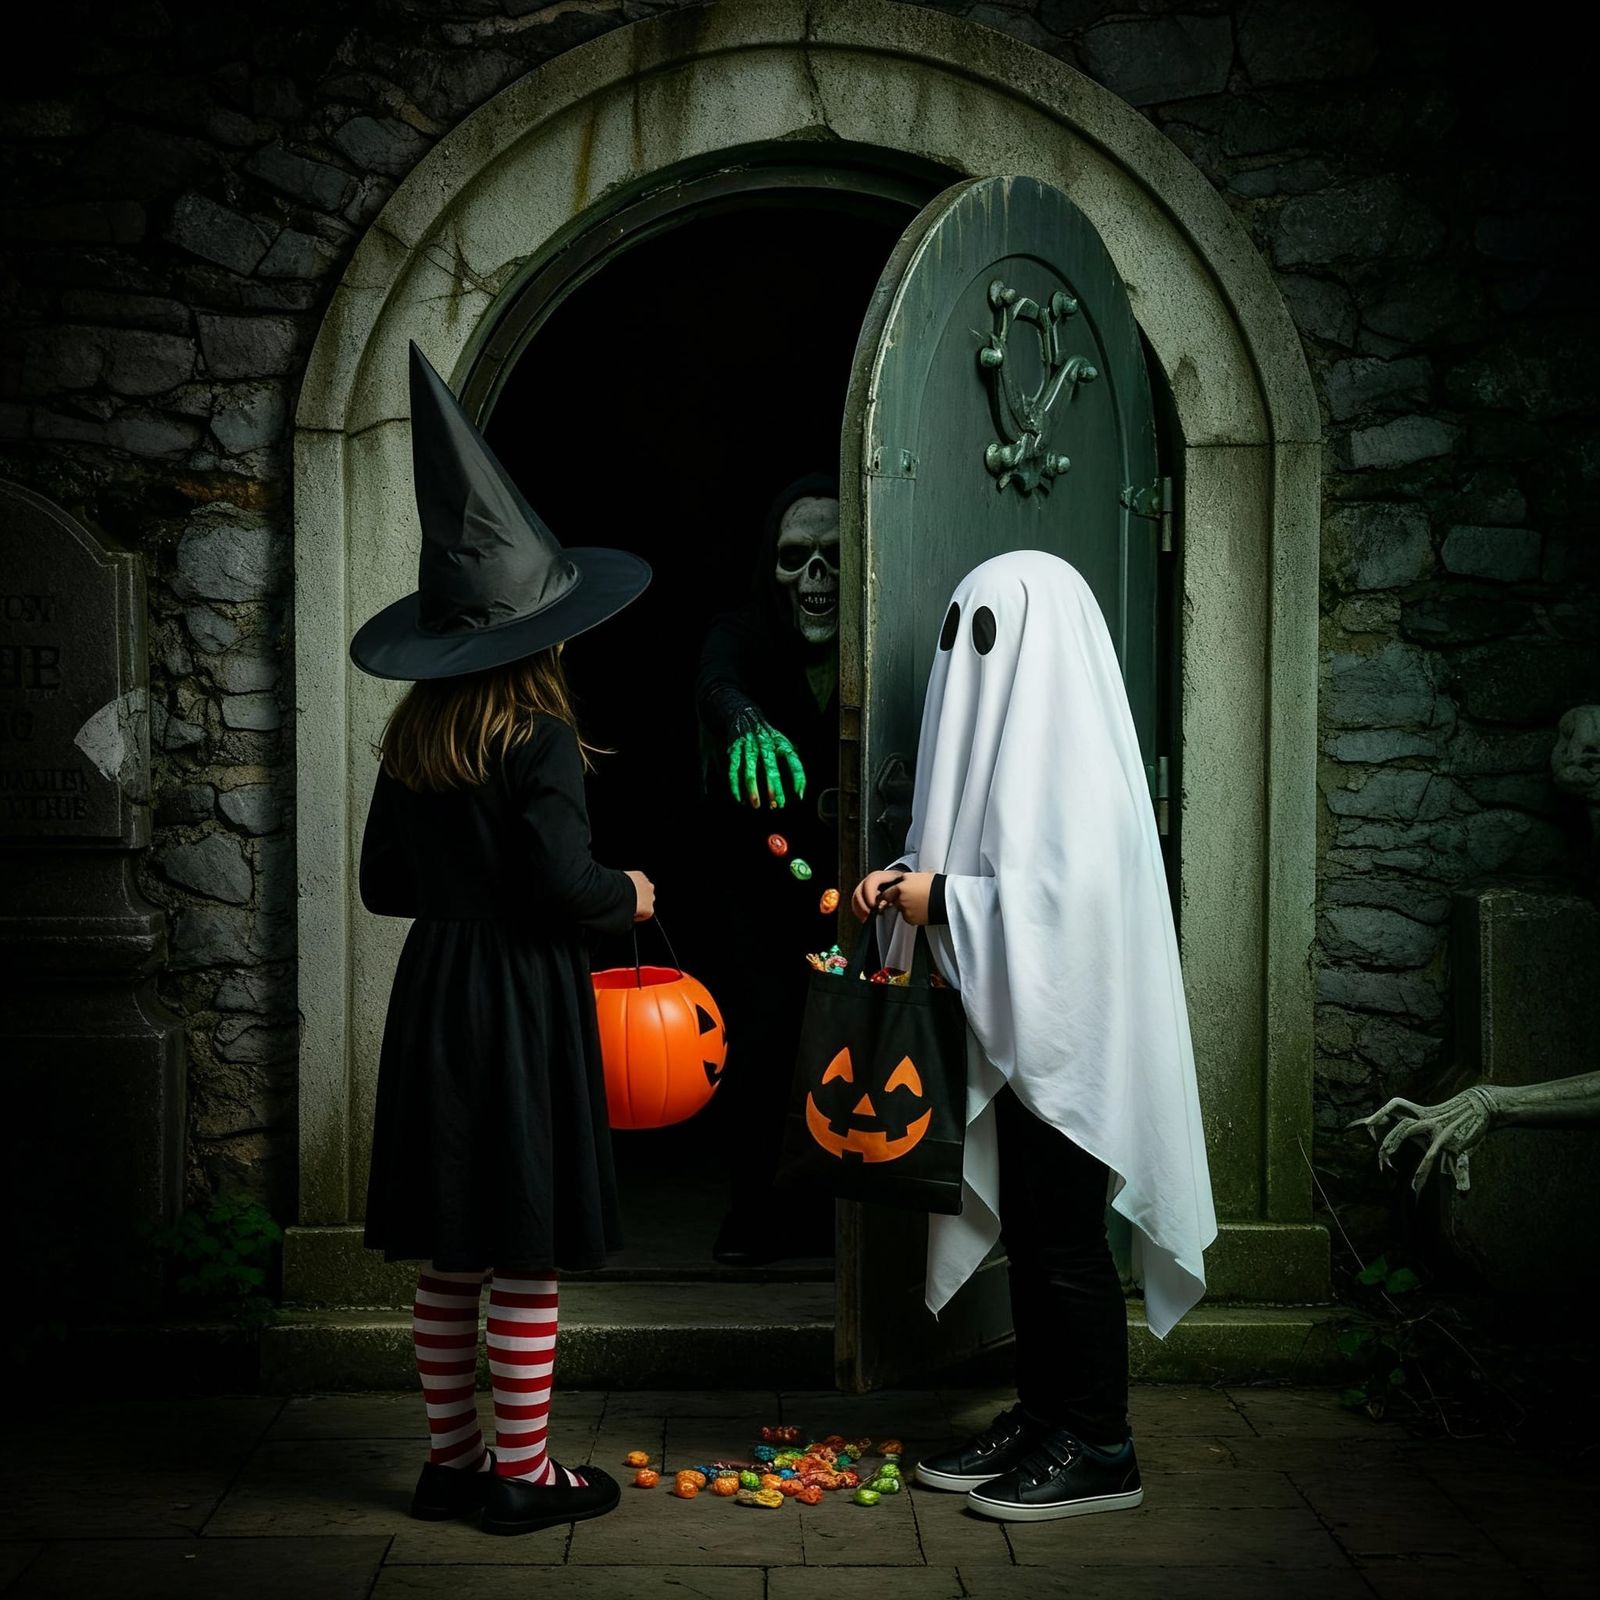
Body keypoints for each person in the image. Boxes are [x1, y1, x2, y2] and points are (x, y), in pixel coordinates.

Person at [351, 343, 654, 1537]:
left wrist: (457, 881)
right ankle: (523, 1476)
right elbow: (561, 882)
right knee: (523, 1247)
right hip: (523, 1001)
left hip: (437, 993)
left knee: (453, 1251)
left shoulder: (415, 743)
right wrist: (627, 893)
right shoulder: (540, 737)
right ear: (547, 634)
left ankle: (451, 1465)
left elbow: (383, 884)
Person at [850, 550, 1216, 1523]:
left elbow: (1064, 907)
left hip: (1074, 1042)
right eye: (959, 634)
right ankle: (1045, 1414)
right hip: (1014, 1028)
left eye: (985, 635)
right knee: (1033, 1230)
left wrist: (939, 899)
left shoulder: (1079, 758)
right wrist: (907, 881)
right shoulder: (1019, 751)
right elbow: (982, 862)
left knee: (1064, 1239)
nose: (966, 659)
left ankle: (1099, 1442)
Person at [695, 474, 840, 1265]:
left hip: (855, 886)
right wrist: (740, 716)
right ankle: (754, 1212)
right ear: (772, 567)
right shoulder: (744, 632)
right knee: (763, 1038)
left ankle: (842, 1219)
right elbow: (717, 678)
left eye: (834, 558)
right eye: (797, 558)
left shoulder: (882, 630)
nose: (816, 576)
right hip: (761, 888)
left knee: (852, 1041)